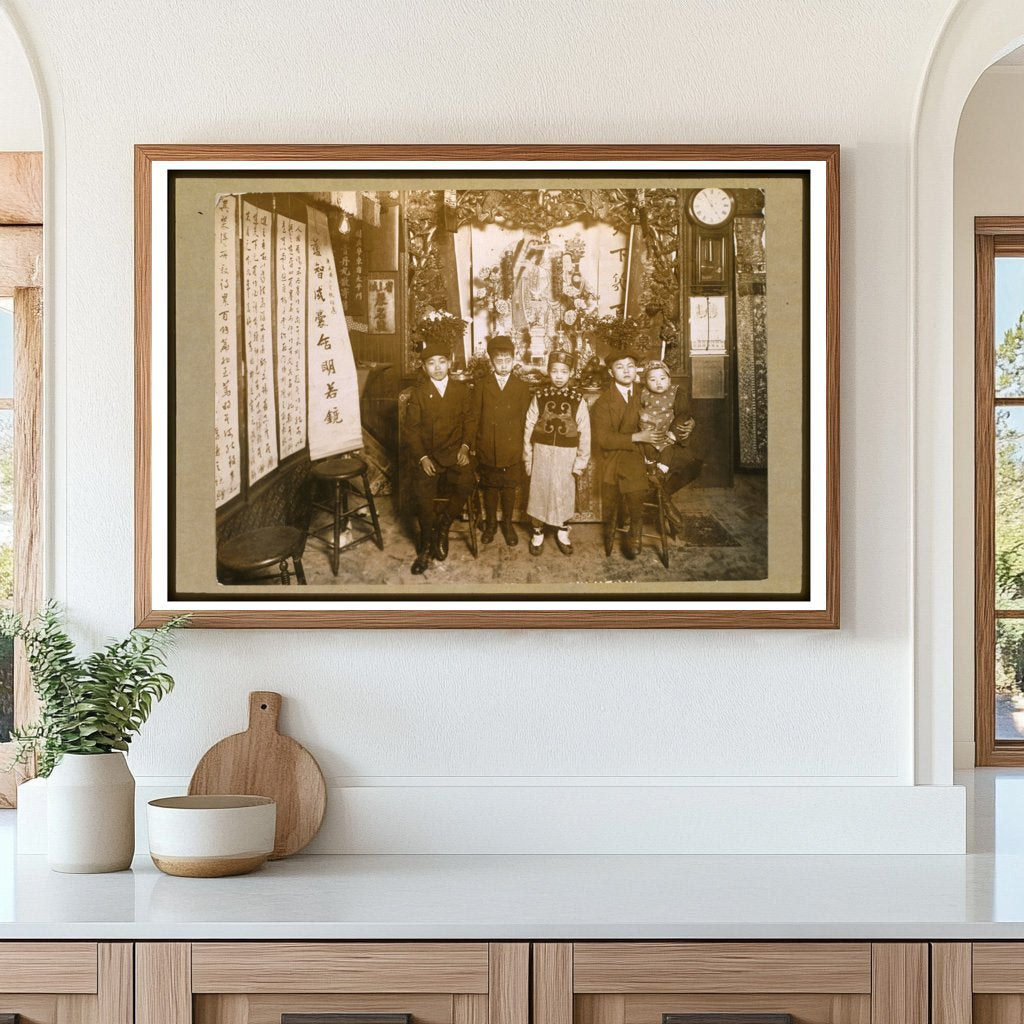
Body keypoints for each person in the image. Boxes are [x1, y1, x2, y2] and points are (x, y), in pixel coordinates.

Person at [402, 340, 478, 575]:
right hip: (429, 456)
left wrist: (465, 447)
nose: (437, 367)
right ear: (424, 368)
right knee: (423, 497)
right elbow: (411, 430)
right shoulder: (419, 394)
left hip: (455, 454)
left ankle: (444, 524)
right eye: (431, 363)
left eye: (442, 362)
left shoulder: (461, 390)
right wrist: (422, 457)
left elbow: (470, 421)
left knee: (467, 483)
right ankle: (425, 545)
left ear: (450, 363)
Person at [591, 351, 664, 560]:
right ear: (611, 372)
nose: (626, 371)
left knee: (688, 461)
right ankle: (636, 527)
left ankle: (666, 505)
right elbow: (603, 439)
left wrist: (684, 423)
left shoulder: (646, 391)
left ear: (637, 369)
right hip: (619, 454)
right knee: (632, 467)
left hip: (651, 448)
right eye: (620, 367)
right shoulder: (604, 402)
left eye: (630, 366)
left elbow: (670, 406)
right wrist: (637, 436)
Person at [522, 349, 591, 556]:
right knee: (539, 491)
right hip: (542, 453)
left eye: (564, 371)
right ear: (548, 372)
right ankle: (537, 531)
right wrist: (528, 458)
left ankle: (562, 531)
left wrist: (580, 463)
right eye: (554, 371)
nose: (559, 376)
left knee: (564, 491)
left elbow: (585, 431)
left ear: (571, 373)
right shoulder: (540, 396)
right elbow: (529, 425)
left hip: (566, 455)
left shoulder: (578, 399)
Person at [471, 335, 533, 546]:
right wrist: (472, 445)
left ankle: (506, 523)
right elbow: (474, 417)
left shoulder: (521, 386)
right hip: (488, 445)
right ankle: (491, 524)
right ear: (491, 361)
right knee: (490, 487)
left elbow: (527, 420)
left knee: (508, 487)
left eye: (508, 360)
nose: (504, 365)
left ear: (514, 359)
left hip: (512, 446)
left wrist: (525, 447)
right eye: (499, 361)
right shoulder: (481, 385)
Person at [637, 359, 702, 528]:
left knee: (691, 461)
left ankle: (660, 494)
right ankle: (664, 502)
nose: (658, 383)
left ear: (669, 379)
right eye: (652, 379)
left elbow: (683, 413)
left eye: (662, 378)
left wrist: (677, 431)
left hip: (667, 436)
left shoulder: (676, 392)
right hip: (644, 437)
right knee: (648, 456)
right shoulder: (642, 393)